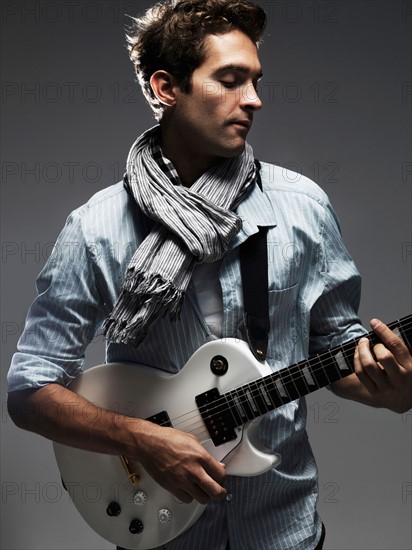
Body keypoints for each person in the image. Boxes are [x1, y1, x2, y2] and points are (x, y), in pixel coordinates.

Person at [7, 1, 412, 549]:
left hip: (284, 527)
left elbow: (337, 349)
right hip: (163, 526)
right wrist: (144, 440)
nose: (254, 99)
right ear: (166, 88)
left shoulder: (303, 207)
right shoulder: (96, 228)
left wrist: (392, 388)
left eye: (255, 80)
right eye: (229, 79)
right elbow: (30, 390)